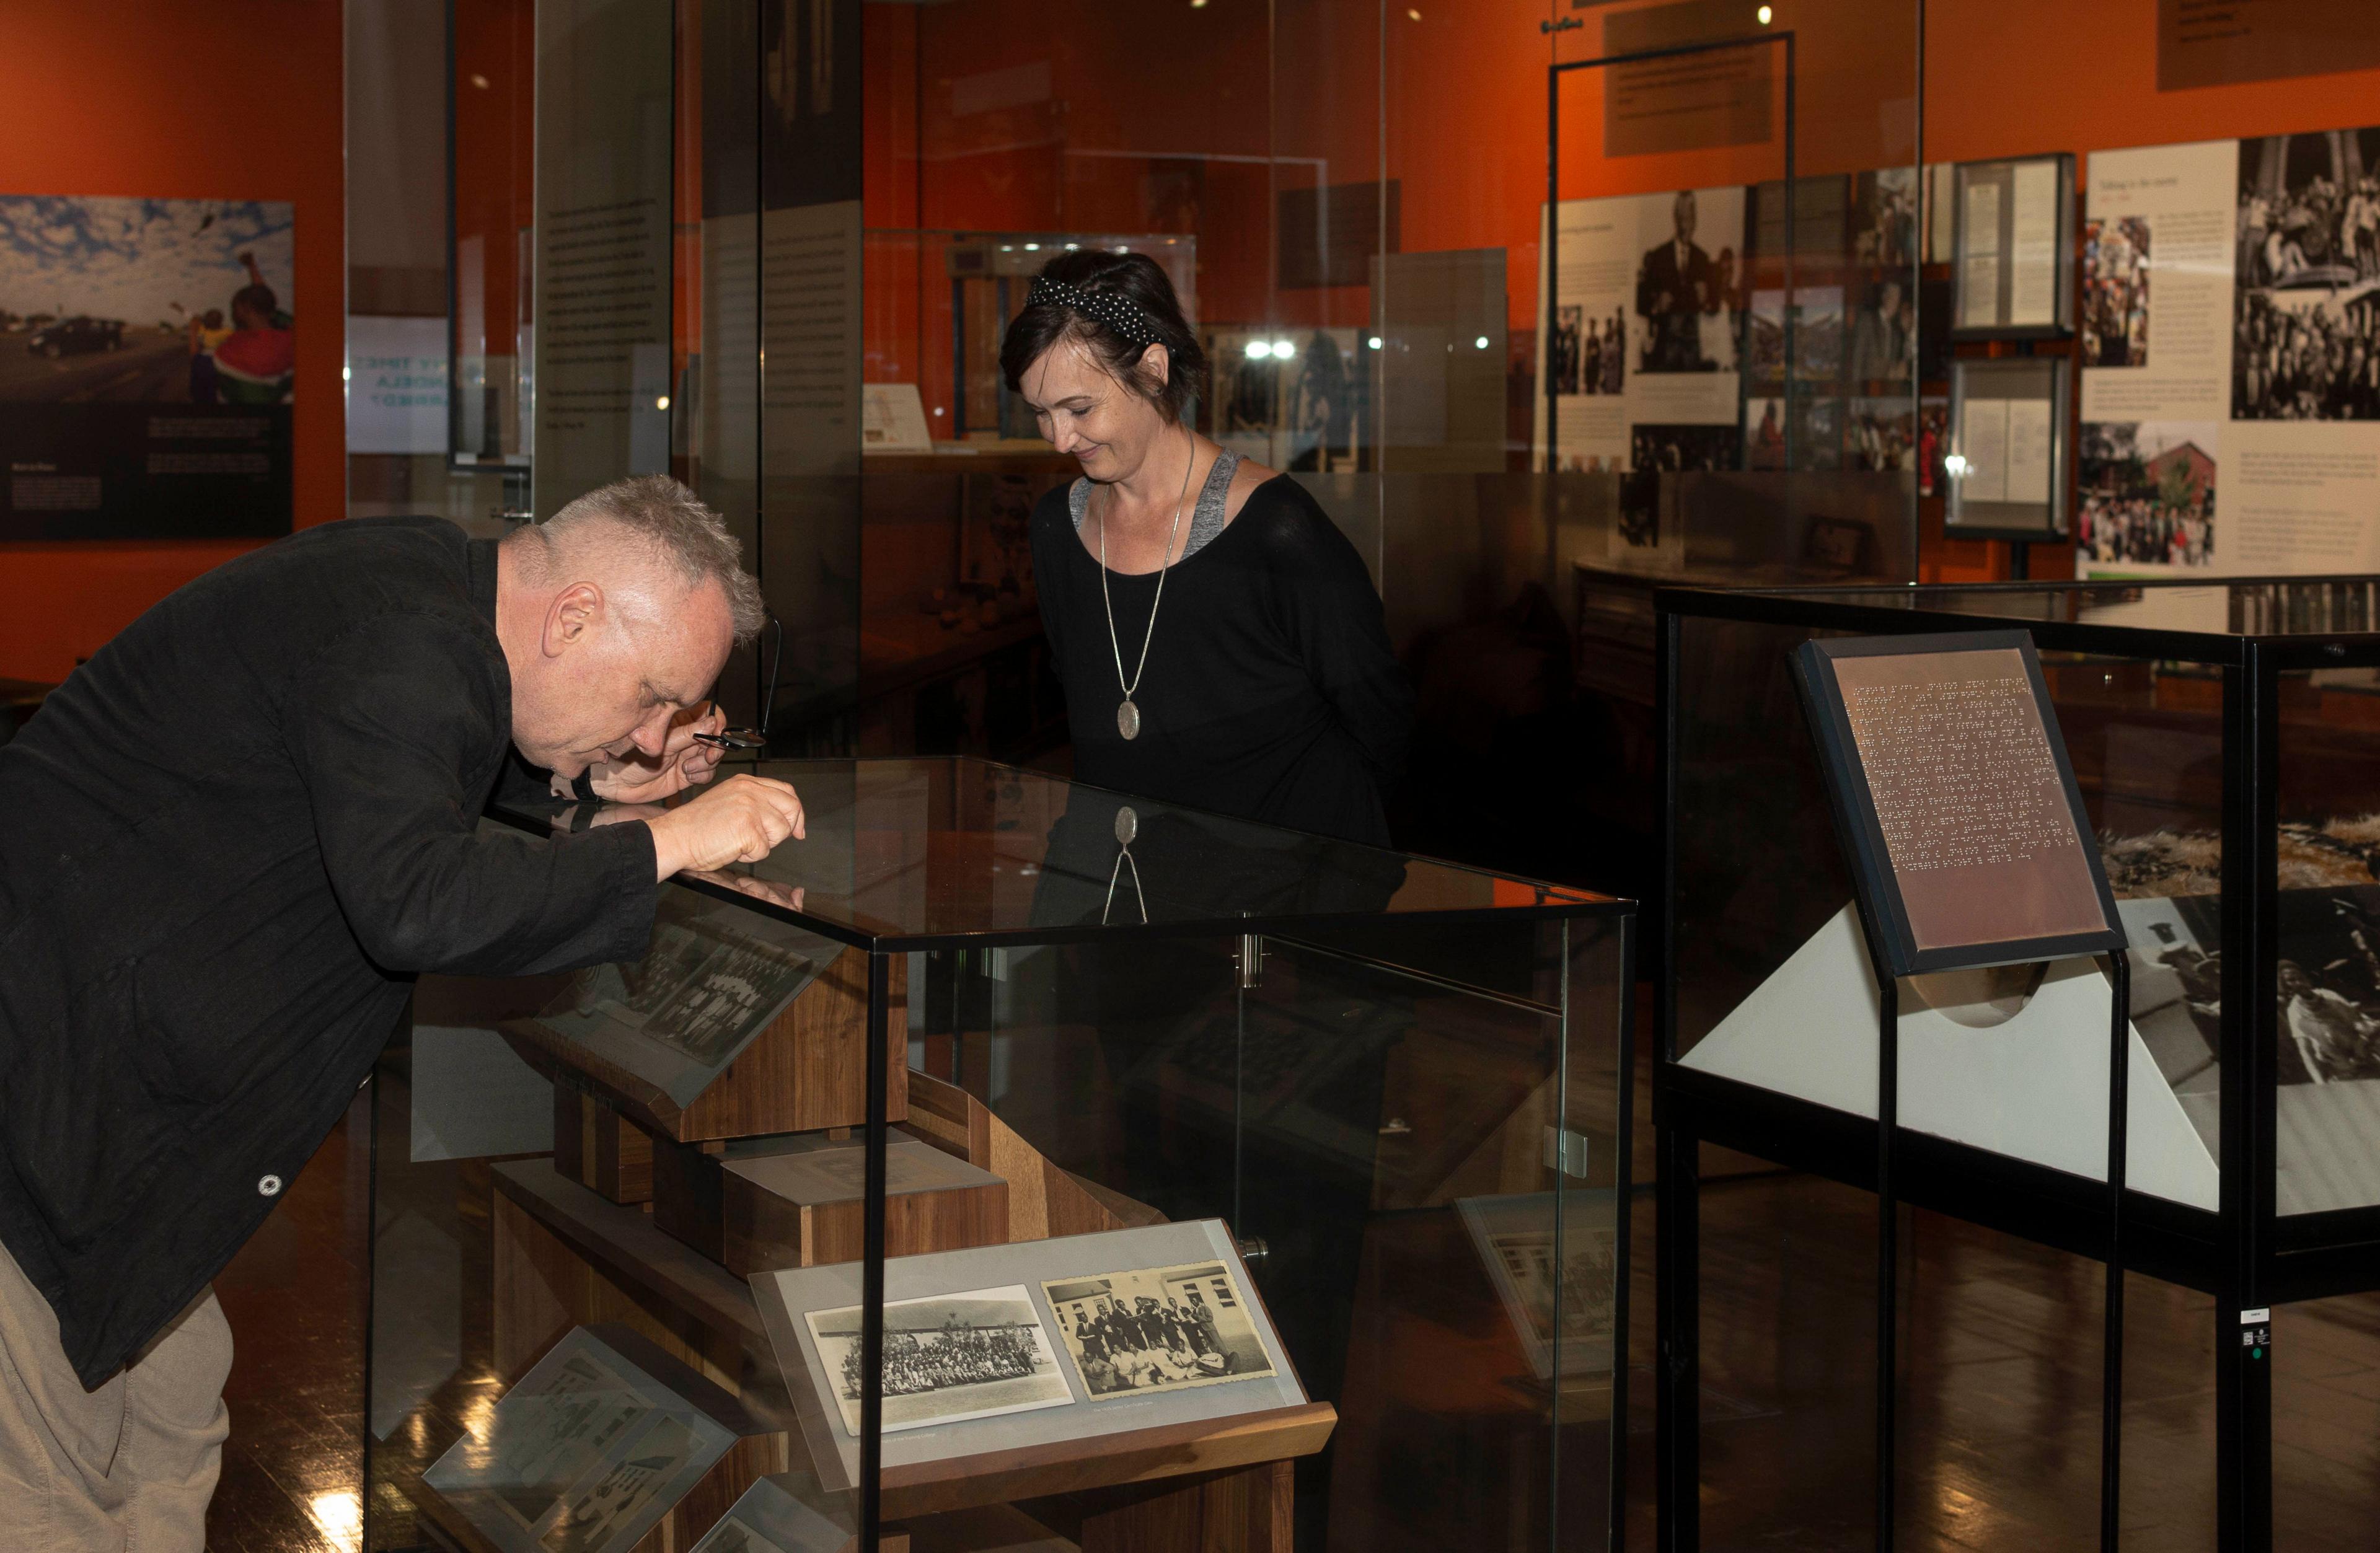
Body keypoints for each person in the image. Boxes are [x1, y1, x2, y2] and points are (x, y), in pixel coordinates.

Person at [0, 476, 809, 1546]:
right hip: (48, 1127)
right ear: (572, 618)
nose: (659, 738)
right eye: (656, 697)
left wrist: (590, 796)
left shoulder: (427, 597)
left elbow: (386, 766)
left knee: (167, 1436)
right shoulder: (407, 640)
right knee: (54, 1499)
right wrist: (672, 841)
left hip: (104, 1124)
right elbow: (414, 903)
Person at [1001, 249, 1411, 847]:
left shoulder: (1277, 531)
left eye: (1080, 408)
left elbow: (1381, 722)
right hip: (1117, 898)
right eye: (1041, 412)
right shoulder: (1055, 529)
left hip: (1266, 909)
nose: (1060, 438)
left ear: (1154, 370)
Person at [1635, 190, 1716, 372]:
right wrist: (1656, 304)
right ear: (1675, 218)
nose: (1686, 225)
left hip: (1692, 355)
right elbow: (1641, 303)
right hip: (1665, 353)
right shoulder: (1659, 256)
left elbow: (1715, 309)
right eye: (1683, 218)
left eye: (1691, 218)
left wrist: (1707, 300)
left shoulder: (1702, 259)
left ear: (1696, 220)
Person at [213, 250, 295, 405]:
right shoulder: (295, 338)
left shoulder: (227, 353)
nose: (232, 313)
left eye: (234, 308)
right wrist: (252, 267)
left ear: (245, 309)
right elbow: (264, 300)